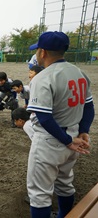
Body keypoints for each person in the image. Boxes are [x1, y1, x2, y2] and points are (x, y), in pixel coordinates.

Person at [26, 31, 94, 218]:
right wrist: (83, 132)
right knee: (65, 181)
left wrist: (67, 140)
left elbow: (45, 118)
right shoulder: (79, 72)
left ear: (43, 52)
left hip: (51, 140)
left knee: (39, 193)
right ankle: (65, 214)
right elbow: (89, 107)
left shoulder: (42, 77)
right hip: (73, 137)